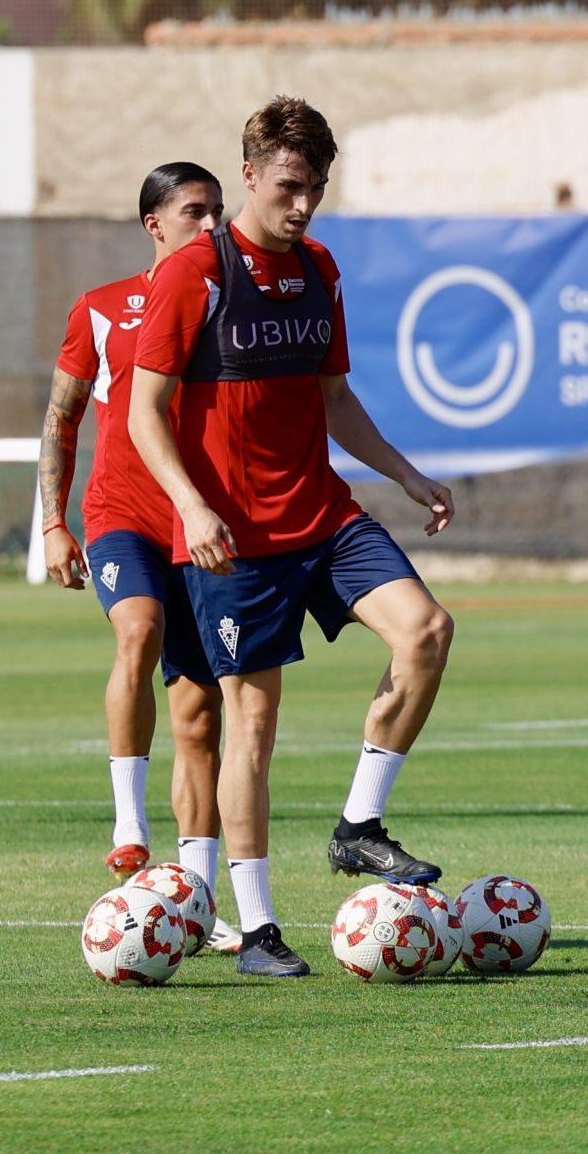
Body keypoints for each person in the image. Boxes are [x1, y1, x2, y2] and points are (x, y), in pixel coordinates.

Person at [128, 96, 457, 978]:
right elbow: (144, 414)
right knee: (253, 722)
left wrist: (405, 473)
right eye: (288, 186)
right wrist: (193, 509)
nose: (303, 205)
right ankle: (258, 927)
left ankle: (358, 824)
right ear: (249, 175)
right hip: (233, 540)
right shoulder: (193, 274)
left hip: (323, 515)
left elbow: (335, 399)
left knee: (427, 632)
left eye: (315, 187)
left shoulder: (319, 268)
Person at [39, 162, 241, 953]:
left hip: (199, 528)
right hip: (121, 515)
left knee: (200, 716)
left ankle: (195, 899)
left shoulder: (232, 307)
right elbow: (61, 418)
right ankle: (129, 822)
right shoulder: (101, 308)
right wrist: (53, 524)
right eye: (196, 212)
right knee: (139, 629)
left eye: (220, 212)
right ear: (154, 223)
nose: (213, 226)